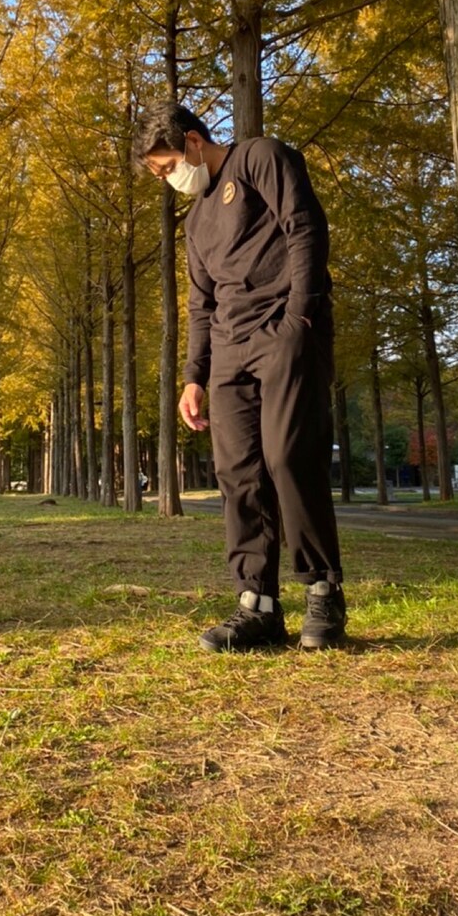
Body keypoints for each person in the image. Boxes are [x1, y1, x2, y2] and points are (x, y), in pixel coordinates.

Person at [133, 101, 346, 652]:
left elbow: (305, 226)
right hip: (229, 350)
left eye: (168, 166)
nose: (169, 179)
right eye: (159, 174)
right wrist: (194, 376)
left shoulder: (260, 158)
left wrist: (301, 316)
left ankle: (322, 591)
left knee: (288, 457)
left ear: (192, 141)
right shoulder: (196, 221)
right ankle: (259, 606)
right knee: (238, 473)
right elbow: (200, 303)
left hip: (285, 330)